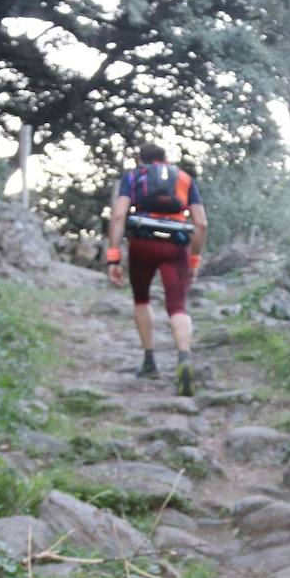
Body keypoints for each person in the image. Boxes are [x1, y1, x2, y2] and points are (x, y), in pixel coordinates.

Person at [106, 143, 208, 396]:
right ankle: (184, 358)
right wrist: (194, 260)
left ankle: (149, 362)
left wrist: (113, 256)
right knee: (178, 306)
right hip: (176, 246)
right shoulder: (184, 179)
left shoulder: (133, 177)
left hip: (143, 243)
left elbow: (119, 215)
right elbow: (201, 223)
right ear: (166, 159)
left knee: (141, 299)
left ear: (141, 160)